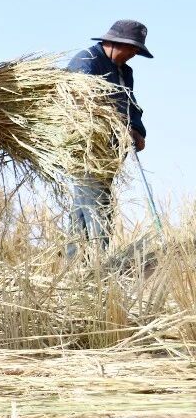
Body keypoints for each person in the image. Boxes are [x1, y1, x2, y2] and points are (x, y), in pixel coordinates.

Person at [66, 20, 152, 250]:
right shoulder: (86, 62)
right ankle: (100, 265)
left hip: (111, 151)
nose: (134, 53)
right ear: (114, 42)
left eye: (137, 49)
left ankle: (77, 269)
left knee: (83, 208)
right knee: (98, 206)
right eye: (132, 47)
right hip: (86, 149)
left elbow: (130, 104)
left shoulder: (125, 72)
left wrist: (136, 128)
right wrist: (111, 123)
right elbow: (78, 103)